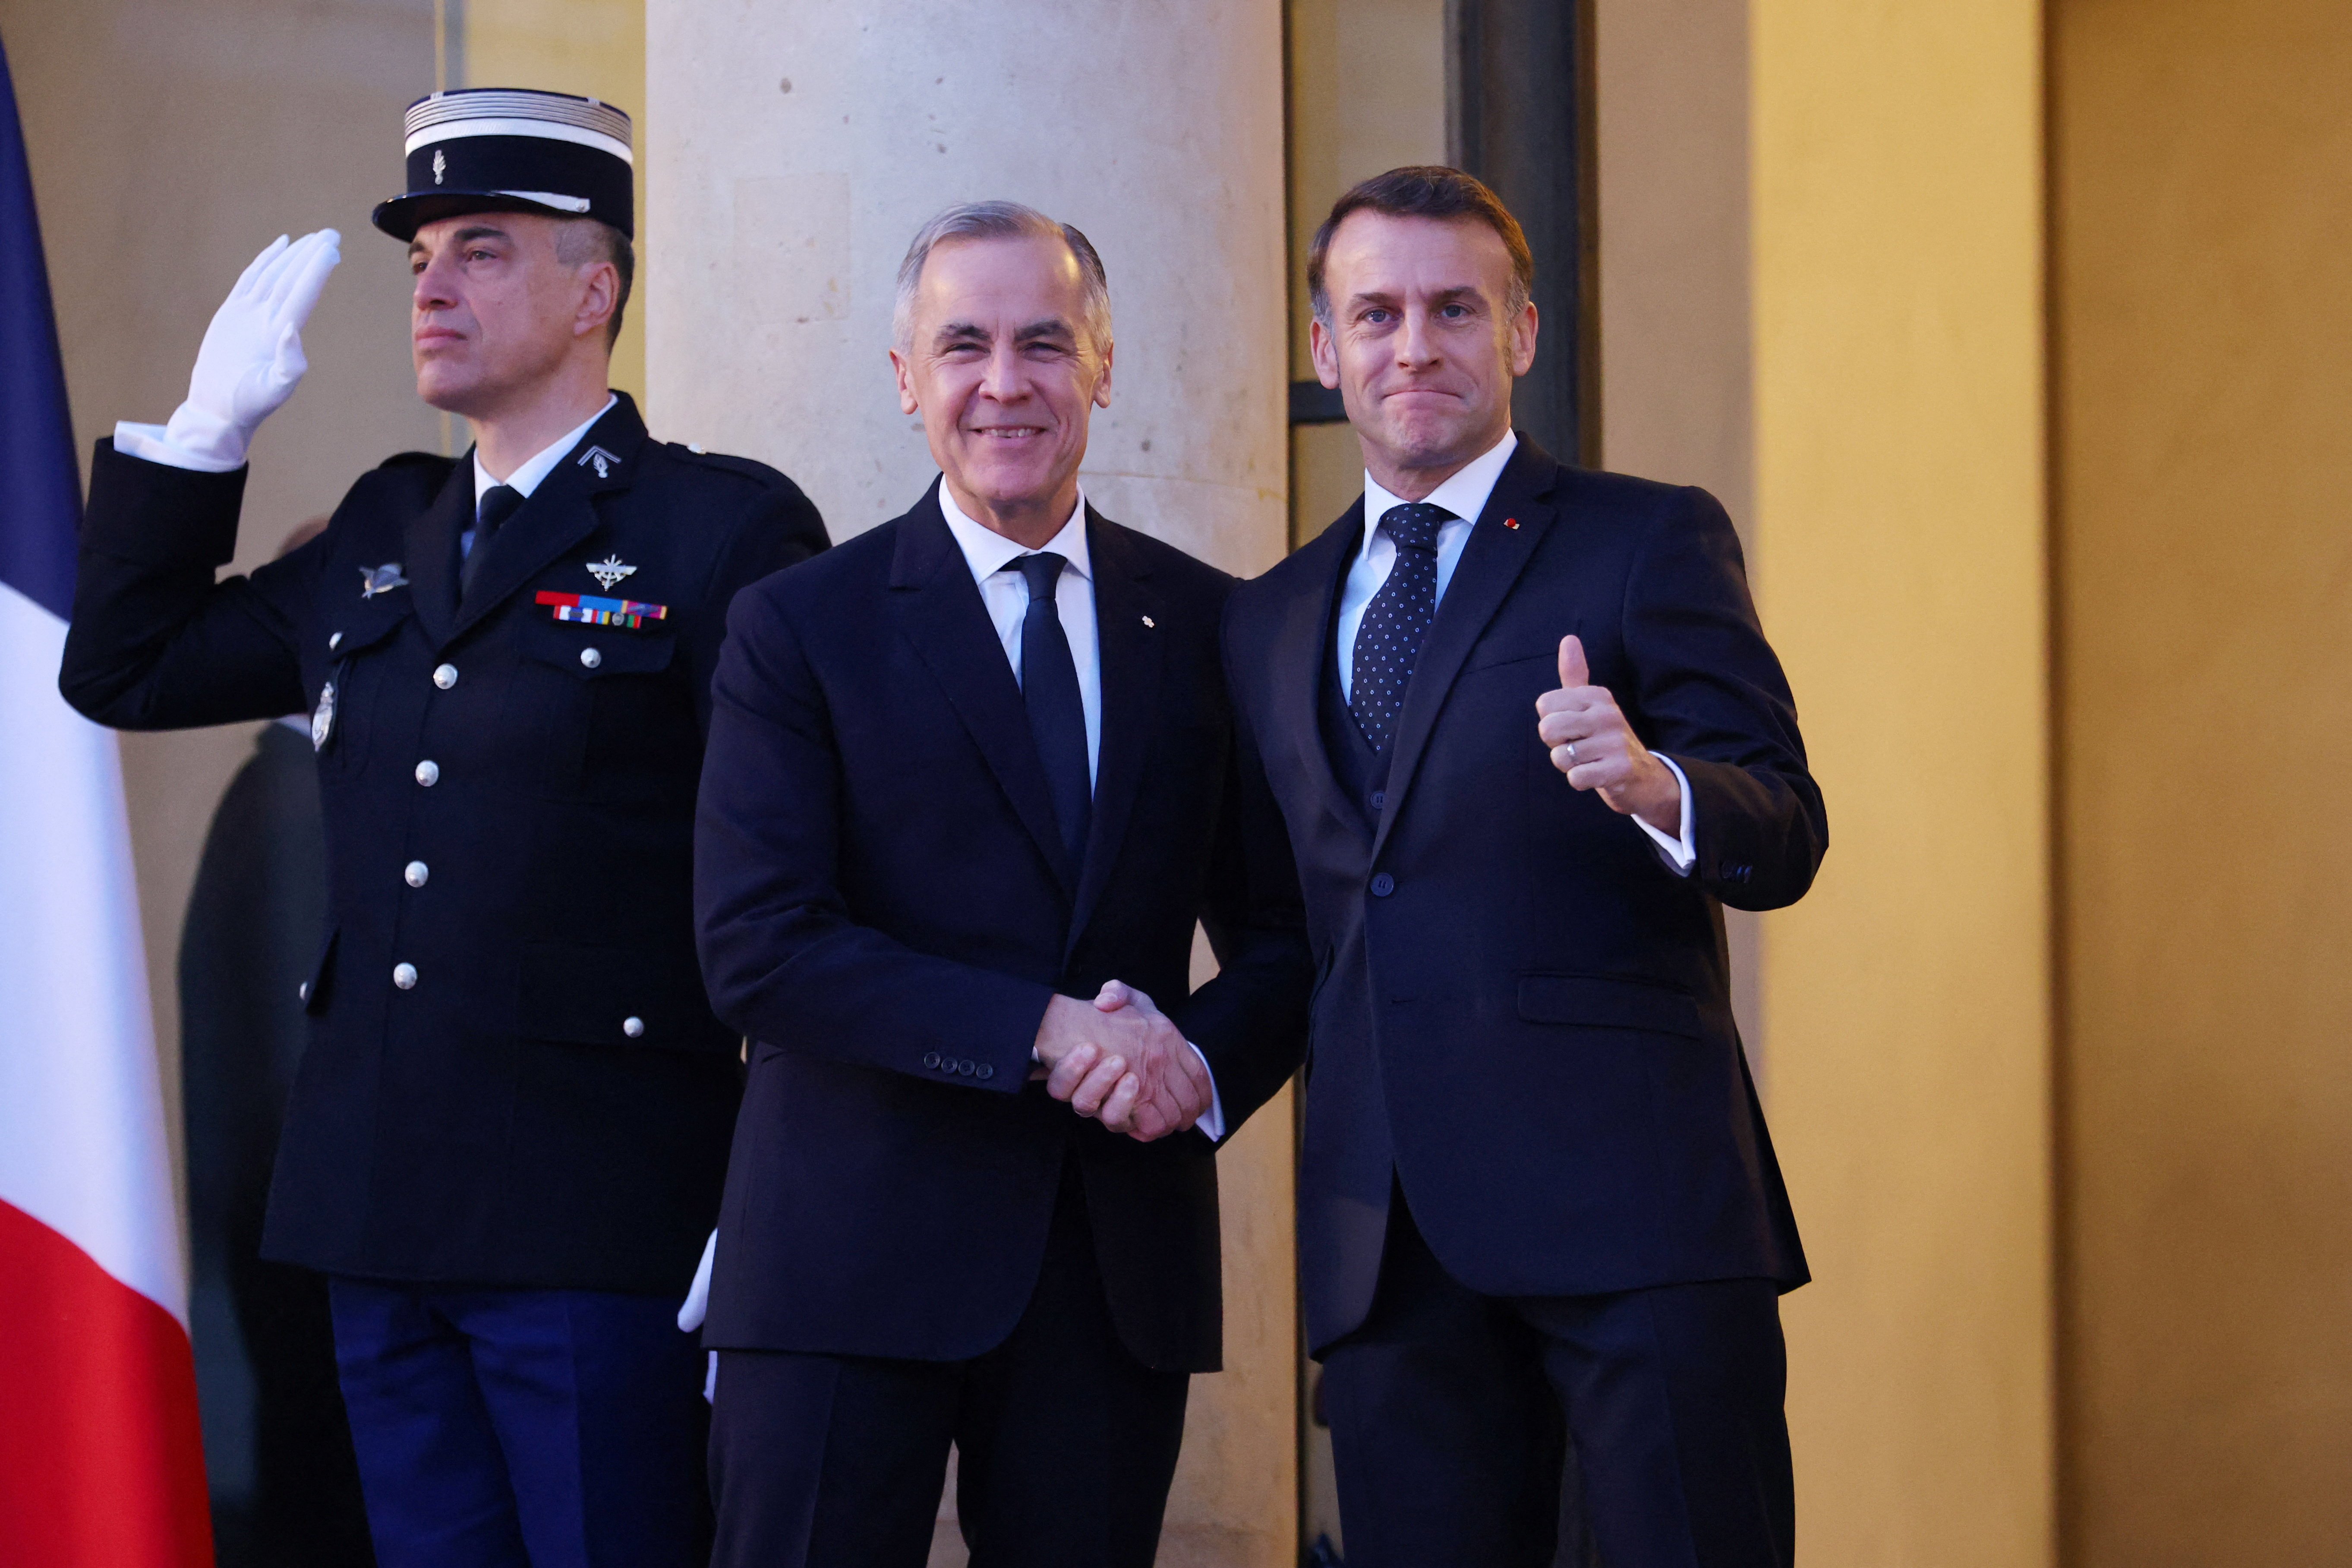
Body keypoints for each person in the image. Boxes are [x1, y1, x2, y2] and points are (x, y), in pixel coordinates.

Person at [59, 88, 827, 1568]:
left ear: (593, 289)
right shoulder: (383, 527)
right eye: (421, 259)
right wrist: (201, 438)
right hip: (379, 1209)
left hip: (600, 1218)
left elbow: (800, 877)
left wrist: (773, 1188)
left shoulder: (714, 533)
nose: (433, 285)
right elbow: (124, 667)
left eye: (482, 250)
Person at [690, 200, 1312, 1568]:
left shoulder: (1212, 624)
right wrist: (1047, 1031)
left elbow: (1288, 936)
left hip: (1106, 1270)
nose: (1004, 382)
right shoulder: (800, 626)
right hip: (841, 1265)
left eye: (1044, 342)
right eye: (962, 345)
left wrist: (1187, 1065)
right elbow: (760, 948)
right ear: (907, 379)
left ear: (1103, 365)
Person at [1222, 166, 1827, 1567]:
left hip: (1640, 1215)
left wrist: (1655, 782)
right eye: (1373, 314)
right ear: (1325, 351)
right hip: (1388, 1245)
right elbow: (1294, 928)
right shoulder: (1265, 619)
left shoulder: (1645, 539)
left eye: (1454, 308)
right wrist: (1179, 1066)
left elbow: (1784, 821)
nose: (1413, 345)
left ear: (1523, 333)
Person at [179, 516, 375, 1568]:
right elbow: (313, 1077)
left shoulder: (281, 794)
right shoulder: (306, 807)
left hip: (281, 1271)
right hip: (314, 1284)